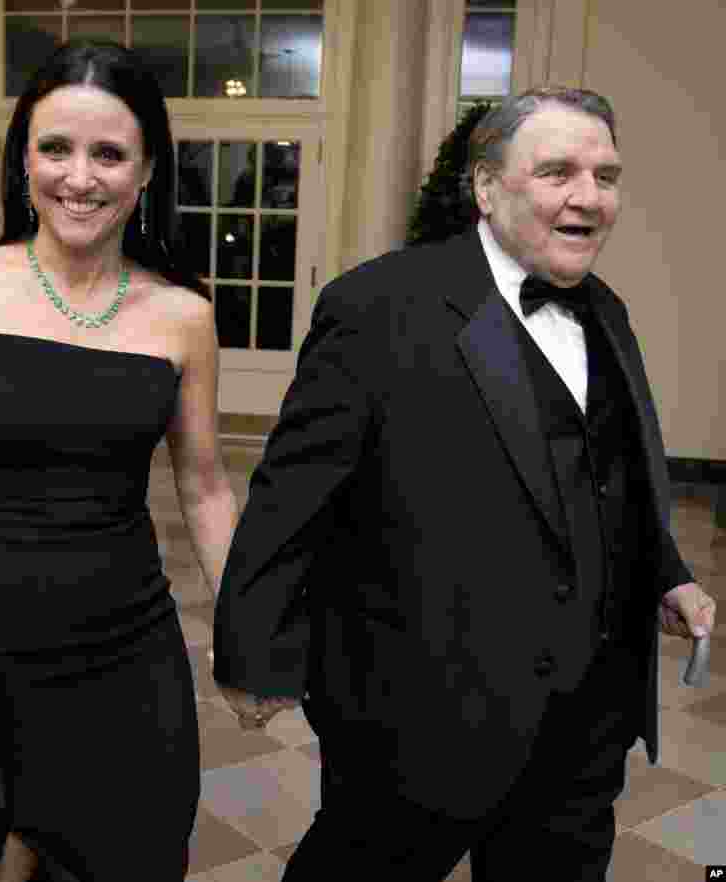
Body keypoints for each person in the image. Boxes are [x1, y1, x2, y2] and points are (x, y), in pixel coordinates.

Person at [212, 86, 716, 880]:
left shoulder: (608, 312)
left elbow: (611, 478)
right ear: (486, 187)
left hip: (587, 721)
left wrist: (669, 574)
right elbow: (290, 499)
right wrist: (253, 652)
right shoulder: (378, 307)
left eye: (607, 175)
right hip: (422, 714)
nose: (589, 196)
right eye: (558, 172)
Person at [0, 41, 237, 882]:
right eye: (55, 147)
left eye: (110, 154)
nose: (80, 177)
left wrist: (245, 620)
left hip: (132, 632)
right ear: (22, 155)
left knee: (142, 845)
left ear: (146, 172)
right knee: (2, 847)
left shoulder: (182, 314)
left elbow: (205, 484)